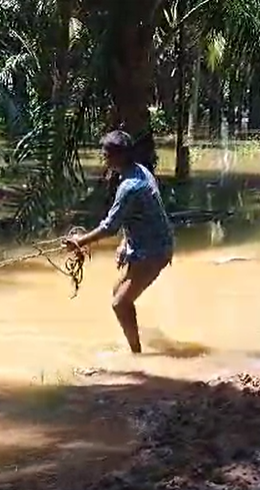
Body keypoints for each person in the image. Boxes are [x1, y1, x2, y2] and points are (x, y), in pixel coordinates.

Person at [64, 130, 175, 354]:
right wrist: (125, 243)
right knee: (118, 292)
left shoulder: (130, 186)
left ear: (118, 157)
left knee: (120, 303)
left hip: (153, 251)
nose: (104, 159)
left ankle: (136, 354)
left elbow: (109, 226)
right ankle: (137, 336)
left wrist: (79, 241)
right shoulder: (139, 171)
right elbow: (141, 213)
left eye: (106, 155)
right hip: (146, 245)